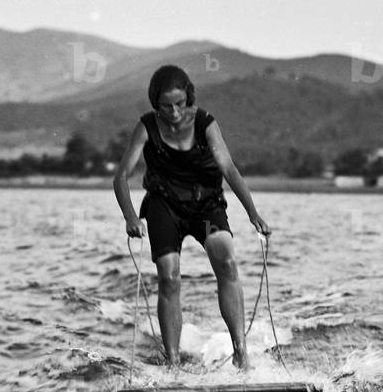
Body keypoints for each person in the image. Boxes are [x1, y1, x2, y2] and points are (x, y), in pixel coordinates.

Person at [113, 65, 270, 370]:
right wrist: (131, 217)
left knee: (225, 259)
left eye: (180, 104)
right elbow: (121, 177)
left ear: (189, 98)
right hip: (165, 206)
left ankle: (241, 355)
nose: (174, 112)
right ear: (155, 104)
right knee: (169, 277)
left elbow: (229, 169)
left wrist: (253, 214)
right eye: (166, 106)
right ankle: (172, 363)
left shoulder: (205, 122)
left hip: (205, 206)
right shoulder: (146, 126)